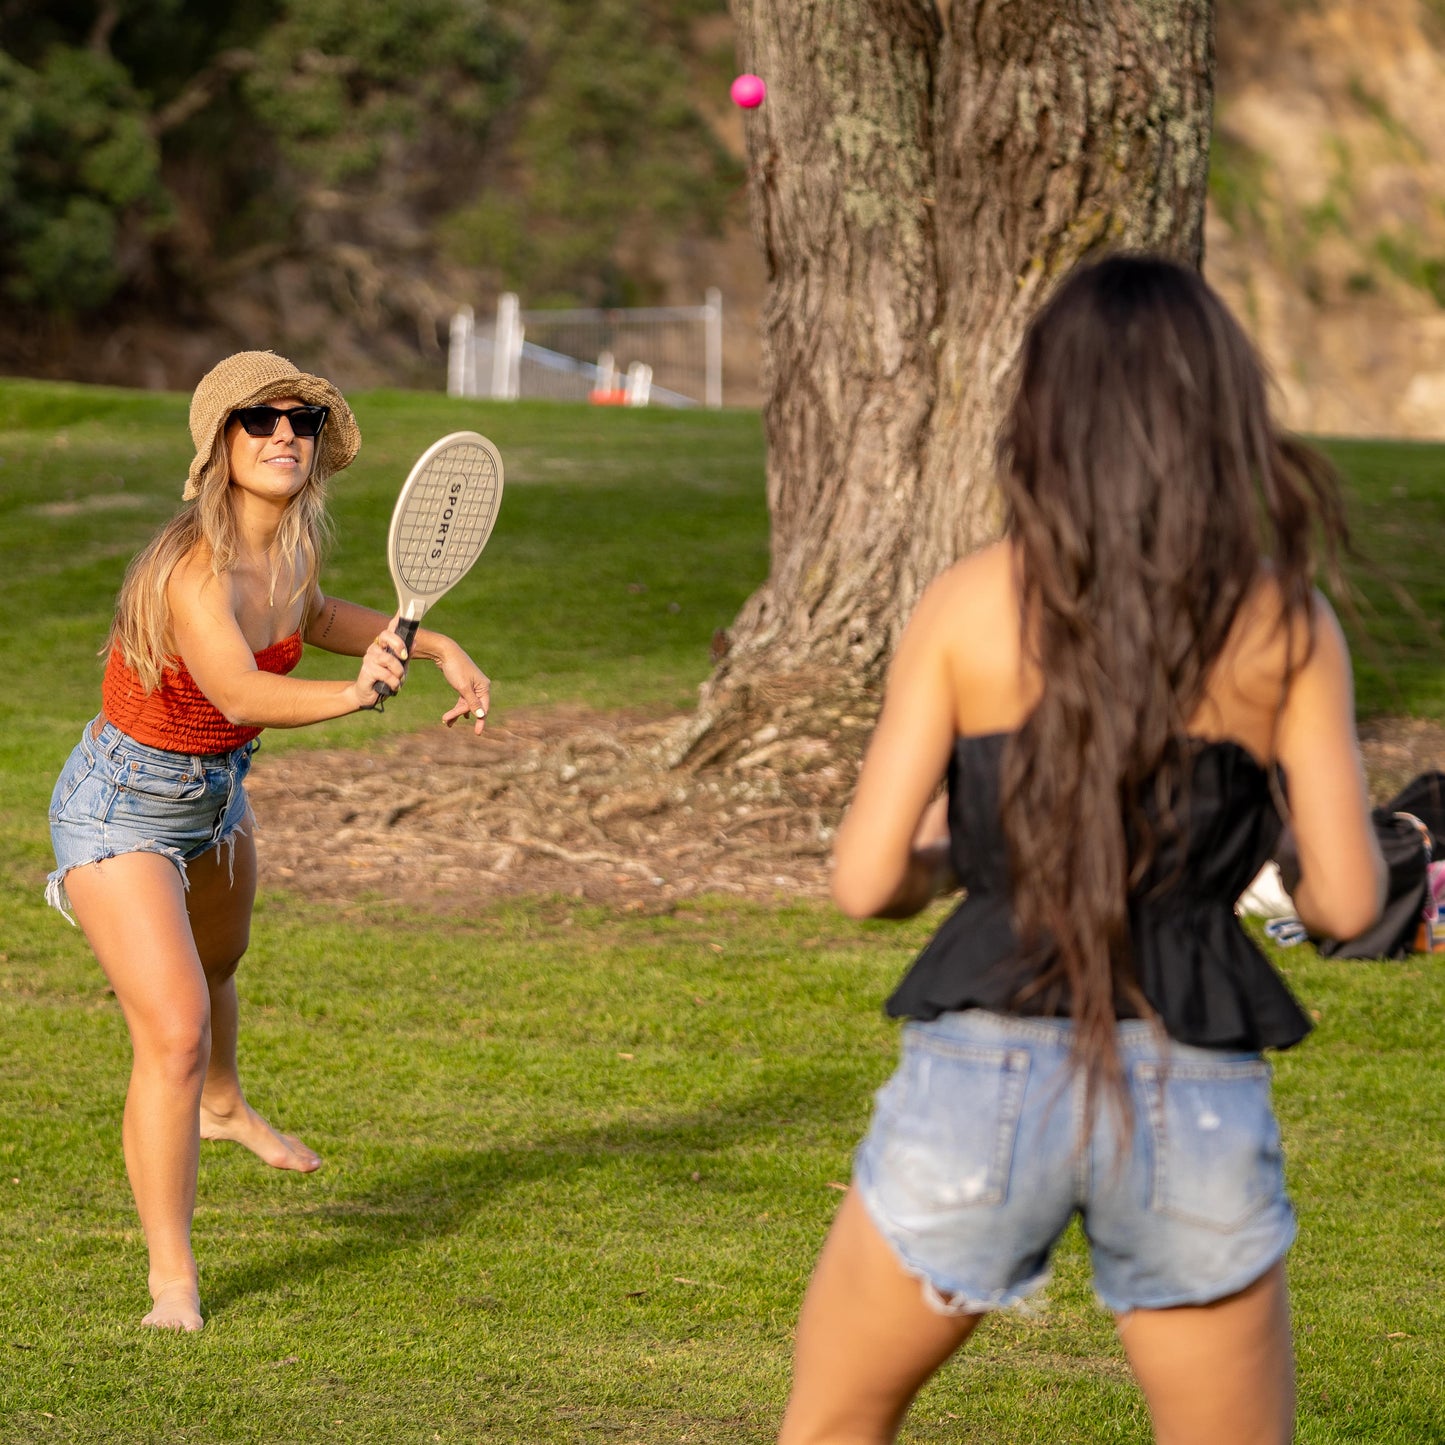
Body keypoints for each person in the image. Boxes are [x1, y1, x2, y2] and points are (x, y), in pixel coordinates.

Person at [779, 256, 1387, 1445]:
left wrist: (954, 858)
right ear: (1218, 410)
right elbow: (1349, 899)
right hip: (1191, 1079)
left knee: (836, 1421)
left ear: (1043, 411)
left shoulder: (968, 602)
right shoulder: (1282, 619)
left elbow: (864, 880)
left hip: (977, 1073)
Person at [45, 351, 492, 1333]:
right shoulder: (193, 570)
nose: (286, 433)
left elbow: (316, 616)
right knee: (174, 1030)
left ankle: (223, 1105)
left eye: (303, 420)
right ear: (220, 443)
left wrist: (434, 643)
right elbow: (240, 689)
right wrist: (356, 693)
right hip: (121, 805)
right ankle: (173, 1281)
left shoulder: (290, 549)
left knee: (220, 962)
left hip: (214, 793)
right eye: (260, 418)